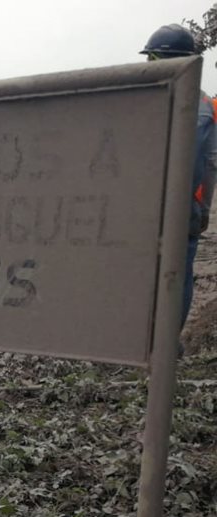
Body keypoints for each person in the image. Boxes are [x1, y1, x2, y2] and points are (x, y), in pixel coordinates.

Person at [140, 24, 217, 348]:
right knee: (168, 272)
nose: (149, 65)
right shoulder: (179, 102)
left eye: (154, 58)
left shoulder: (193, 109)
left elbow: (192, 167)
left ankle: (163, 343)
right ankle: (159, 341)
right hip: (171, 202)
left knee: (172, 273)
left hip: (177, 204)